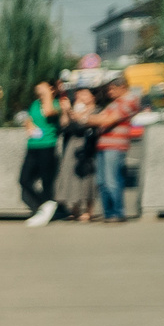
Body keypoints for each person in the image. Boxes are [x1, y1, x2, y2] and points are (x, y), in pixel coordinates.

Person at [94, 82, 141, 223]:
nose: (110, 92)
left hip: (115, 146)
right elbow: (100, 119)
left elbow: (107, 120)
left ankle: (117, 213)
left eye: (112, 89)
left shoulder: (130, 101)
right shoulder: (114, 103)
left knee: (112, 180)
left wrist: (86, 119)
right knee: (102, 181)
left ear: (123, 87)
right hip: (103, 145)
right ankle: (108, 213)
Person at [53, 87, 99, 221]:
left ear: (93, 96)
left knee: (87, 180)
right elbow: (65, 126)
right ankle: (75, 208)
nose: (81, 96)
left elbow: (81, 126)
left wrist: (70, 111)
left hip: (88, 146)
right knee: (72, 177)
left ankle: (88, 210)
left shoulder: (97, 110)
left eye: (85, 94)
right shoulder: (75, 110)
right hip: (72, 146)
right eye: (79, 94)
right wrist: (65, 112)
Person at [21, 81, 62, 226]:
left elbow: (49, 112)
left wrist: (47, 95)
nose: (38, 89)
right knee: (24, 179)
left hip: (47, 146)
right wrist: (28, 125)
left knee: (46, 181)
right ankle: (45, 206)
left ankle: (46, 207)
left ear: (51, 89)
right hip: (32, 145)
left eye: (42, 86)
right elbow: (28, 118)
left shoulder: (56, 103)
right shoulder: (34, 104)